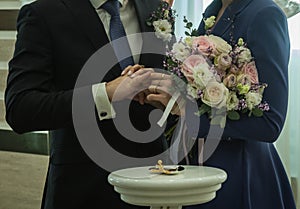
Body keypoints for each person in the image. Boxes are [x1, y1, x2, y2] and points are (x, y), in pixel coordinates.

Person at [4, 0, 174, 208]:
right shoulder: (43, 13)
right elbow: (21, 109)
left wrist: (171, 99)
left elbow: (174, 86)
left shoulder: (156, 8)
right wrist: (106, 93)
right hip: (83, 189)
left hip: (156, 186)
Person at [145, 0, 297, 208]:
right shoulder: (213, 9)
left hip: (241, 173)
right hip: (199, 167)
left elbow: (271, 124)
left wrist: (190, 116)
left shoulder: (266, 14)